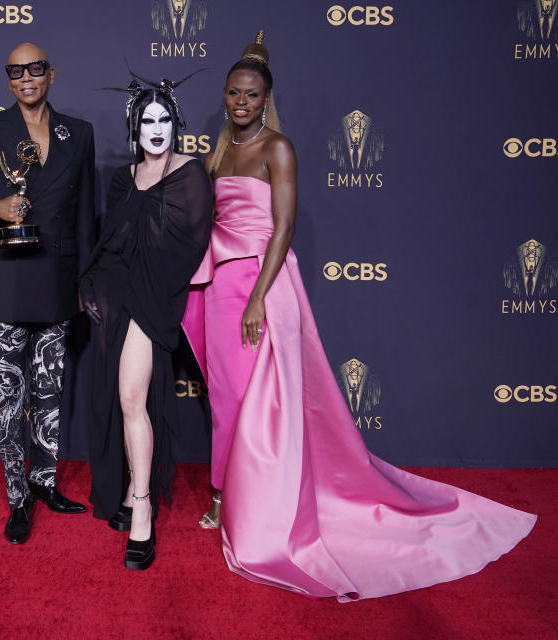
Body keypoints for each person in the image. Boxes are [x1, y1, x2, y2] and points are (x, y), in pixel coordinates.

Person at [181, 32, 536, 599]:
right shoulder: (218, 152)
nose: (240, 103)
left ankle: (261, 506)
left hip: (262, 288)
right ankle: (224, 496)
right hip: (221, 287)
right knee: (226, 400)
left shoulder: (279, 148)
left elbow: (284, 229)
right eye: (232, 93)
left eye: (250, 95)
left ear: (266, 99)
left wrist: (255, 300)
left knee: (262, 404)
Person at [0, 43, 96, 545]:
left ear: (51, 74)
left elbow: (84, 218)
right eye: (15, 71)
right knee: (10, 399)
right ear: (8, 79)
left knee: (50, 394)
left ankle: (46, 482)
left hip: (56, 281)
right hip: (6, 278)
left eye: (35, 69)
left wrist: (82, 283)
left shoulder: (78, 133)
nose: (25, 78)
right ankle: (18, 499)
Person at [81, 77, 213, 570]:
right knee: (117, 399)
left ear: (175, 125)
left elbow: (186, 248)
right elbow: (111, 239)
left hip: (152, 300)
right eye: (146, 122)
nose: (155, 130)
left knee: (133, 397)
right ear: (133, 128)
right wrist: (95, 286)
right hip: (114, 298)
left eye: (163, 120)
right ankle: (133, 489)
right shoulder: (122, 178)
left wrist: (139, 297)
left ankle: (142, 508)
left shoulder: (189, 174)